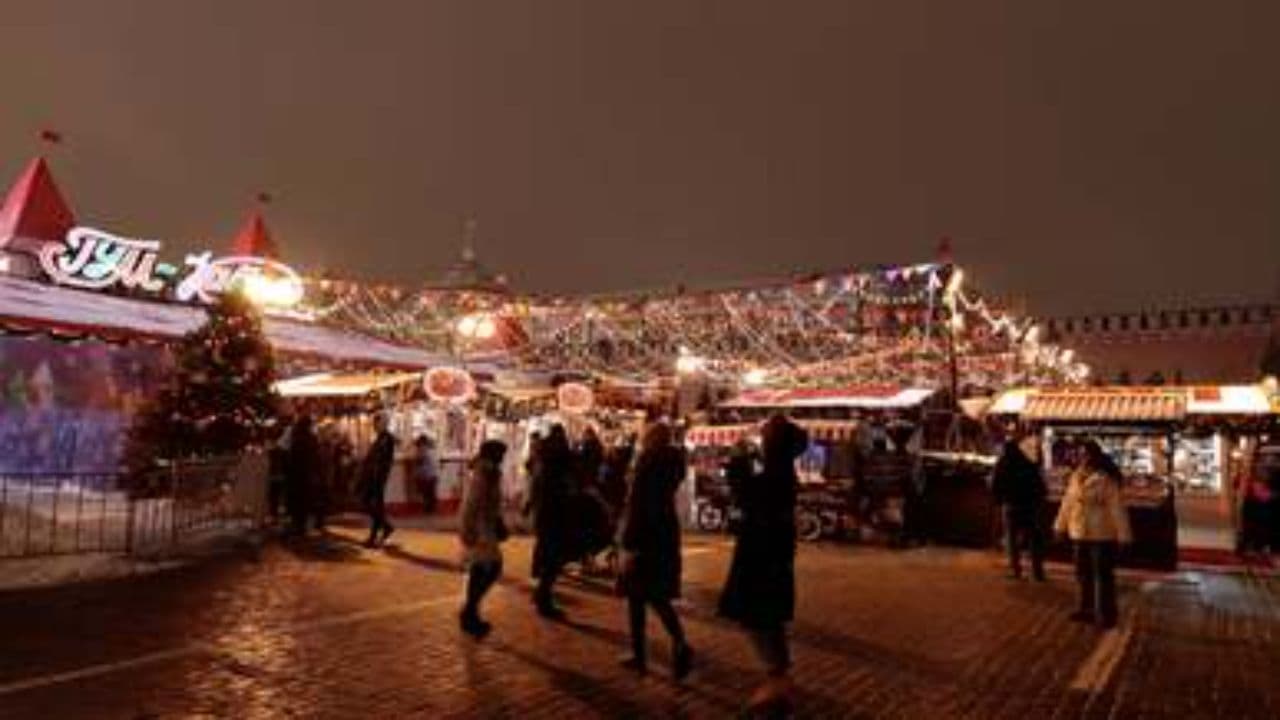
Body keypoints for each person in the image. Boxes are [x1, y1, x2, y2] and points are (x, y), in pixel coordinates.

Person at [719, 414, 809, 713]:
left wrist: (737, 463)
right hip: (768, 550)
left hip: (763, 552)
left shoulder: (777, 471)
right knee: (764, 616)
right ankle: (777, 678)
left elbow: (748, 496)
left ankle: (777, 678)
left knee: (758, 615)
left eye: (767, 434)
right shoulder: (779, 469)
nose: (763, 437)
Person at [617, 423, 694, 679]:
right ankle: (680, 641)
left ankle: (640, 656)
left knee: (636, 597)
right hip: (665, 532)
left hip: (644, 535)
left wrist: (629, 543)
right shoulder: (673, 463)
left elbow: (637, 503)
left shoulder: (647, 462)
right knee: (658, 597)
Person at [1054, 440, 1131, 629]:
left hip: (1101, 534)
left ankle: (1105, 614)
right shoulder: (1075, 477)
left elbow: (1117, 509)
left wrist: (1124, 535)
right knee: (1082, 574)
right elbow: (1067, 503)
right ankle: (1085, 609)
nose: (1082, 458)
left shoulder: (1106, 479)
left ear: (1095, 456)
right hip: (1079, 532)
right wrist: (1059, 526)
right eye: (1079, 454)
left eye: (1085, 454)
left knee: (1102, 576)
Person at [459, 440, 509, 638]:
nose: (503, 458)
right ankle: (469, 612)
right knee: (492, 567)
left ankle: (470, 615)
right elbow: (472, 504)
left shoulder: (489, 473)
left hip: (485, 527)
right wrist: (469, 530)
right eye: (500, 454)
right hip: (480, 529)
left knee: (479, 571)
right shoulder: (484, 474)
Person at [527, 424, 574, 618]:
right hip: (557, 509)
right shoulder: (560, 457)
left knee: (546, 547)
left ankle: (541, 589)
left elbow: (535, 481)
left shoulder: (541, 457)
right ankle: (543, 596)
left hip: (543, 509)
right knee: (555, 555)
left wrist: (530, 503)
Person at [991, 434, 1048, 581]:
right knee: (1033, 539)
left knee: (1012, 539)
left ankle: (1015, 569)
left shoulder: (1003, 463)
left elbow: (996, 484)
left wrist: (998, 500)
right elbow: (1039, 485)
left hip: (1011, 504)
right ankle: (1037, 571)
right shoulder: (1028, 462)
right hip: (1030, 505)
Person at [361, 413, 397, 548]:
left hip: (378, 478)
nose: (374, 426)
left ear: (384, 423)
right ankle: (384, 528)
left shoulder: (387, 439)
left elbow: (382, 461)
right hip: (374, 477)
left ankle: (376, 534)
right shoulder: (380, 438)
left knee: (373, 505)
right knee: (374, 506)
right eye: (374, 423)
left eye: (377, 423)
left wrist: (375, 474)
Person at [285, 415, 319, 537]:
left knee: (297, 501)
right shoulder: (312, 439)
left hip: (296, 475)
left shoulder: (295, 438)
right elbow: (316, 458)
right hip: (307, 475)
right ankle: (302, 526)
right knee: (305, 501)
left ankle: (297, 524)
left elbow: (290, 458)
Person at [415, 435, 440, 514]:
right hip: (432, 474)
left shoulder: (424, 451)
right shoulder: (431, 450)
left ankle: (429, 509)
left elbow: (419, 461)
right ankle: (430, 509)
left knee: (427, 494)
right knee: (430, 493)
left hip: (427, 476)